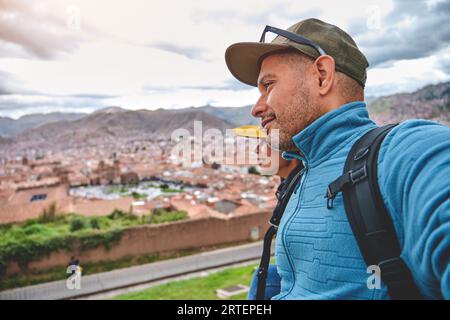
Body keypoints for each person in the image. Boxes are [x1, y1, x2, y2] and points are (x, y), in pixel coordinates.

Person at [225, 18, 450, 299]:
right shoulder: (300, 177)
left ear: (322, 75)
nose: (257, 108)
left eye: (268, 85)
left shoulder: (405, 151)